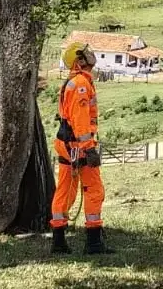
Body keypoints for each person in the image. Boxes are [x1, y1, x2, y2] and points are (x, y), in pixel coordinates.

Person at [50, 41, 112, 254]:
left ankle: (58, 241)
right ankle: (94, 242)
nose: (91, 54)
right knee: (94, 189)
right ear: (80, 60)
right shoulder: (80, 84)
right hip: (78, 145)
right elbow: (80, 120)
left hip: (67, 144)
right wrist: (89, 149)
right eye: (86, 53)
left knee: (65, 190)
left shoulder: (74, 82)